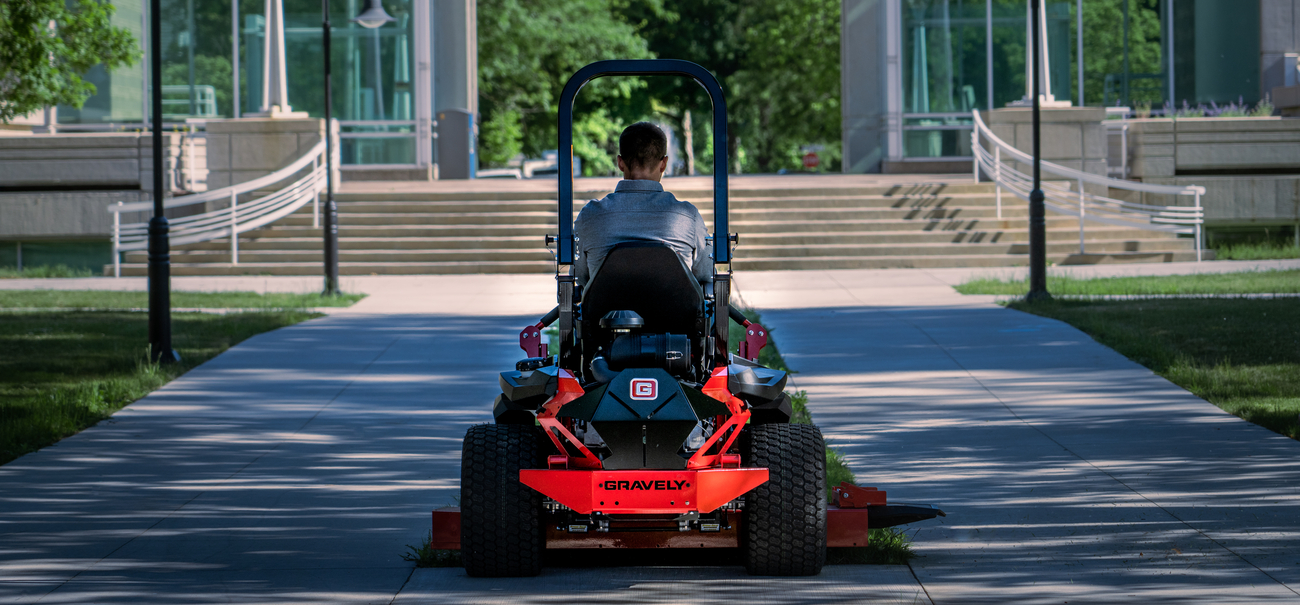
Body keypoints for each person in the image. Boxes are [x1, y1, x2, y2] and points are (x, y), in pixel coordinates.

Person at [574, 122, 711, 288]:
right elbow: (705, 273)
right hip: (673, 312)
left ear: (620, 162)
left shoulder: (590, 216)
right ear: (664, 164)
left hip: (606, 312)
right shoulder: (688, 217)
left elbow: (580, 277)